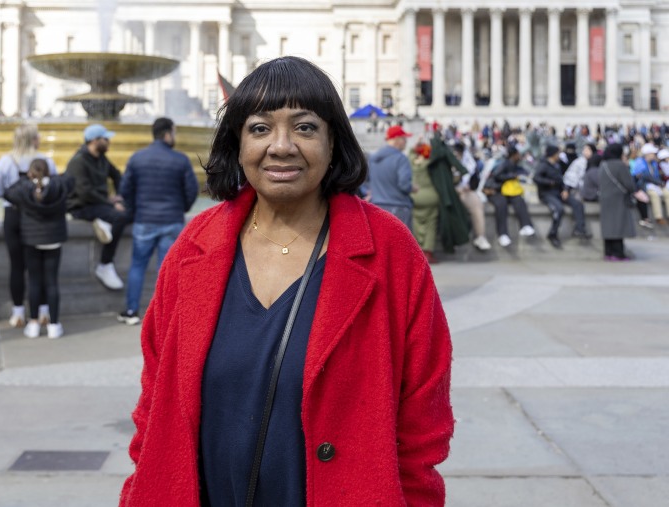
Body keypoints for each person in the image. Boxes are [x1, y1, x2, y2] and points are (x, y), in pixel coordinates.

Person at [120, 56, 453, 506]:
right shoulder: (193, 248)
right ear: (237, 143)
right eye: (259, 128)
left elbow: (422, 426)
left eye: (305, 127)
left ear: (334, 141)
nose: (281, 146)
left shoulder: (390, 252)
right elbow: (153, 407)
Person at [117, 117, 199, 325]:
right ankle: (165, 315)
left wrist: (136, 210)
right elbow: (192, 190)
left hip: (144, 220)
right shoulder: (180, 160)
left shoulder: (137, 158)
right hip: (171, 221)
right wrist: (182, 208)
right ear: (167, 134)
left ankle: (131, 311)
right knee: (167, 270)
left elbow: (125, 190)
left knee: (137, 266)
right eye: (174, 132)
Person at [0, 124, 57, 328]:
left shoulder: (6, 161)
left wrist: (15, 196)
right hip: (38, 216)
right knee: (40, 266)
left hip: (13, 215)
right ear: (33, 139)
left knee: (16, 265)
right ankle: (44, 310)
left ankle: (18, 311)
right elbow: (54, 187)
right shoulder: (45, 160)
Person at [4, 159, 74, 339]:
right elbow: (70, 182)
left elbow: (7, 193)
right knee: (52, 282)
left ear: (30, 173)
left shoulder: (24, 189)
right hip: (54, 239)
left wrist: (25, 180)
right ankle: (54, 325)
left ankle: (33, 323)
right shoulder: (58, 187)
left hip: (32, 240)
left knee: (34, 282)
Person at [65, 123, 130, 290]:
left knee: (129, 212)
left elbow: (116, 175)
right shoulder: (78, 161)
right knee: (121, 216)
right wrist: (111, 202)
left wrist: (120, 196)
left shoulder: (101, 158)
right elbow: (84, 192)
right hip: (81, 206)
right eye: (106, 139)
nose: (109, 142)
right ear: (94, 141)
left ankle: (104, 221)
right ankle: (105, 264)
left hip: (98, 203)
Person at [533, 144, 591, 249]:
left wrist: (565, 190)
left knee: (577, 204)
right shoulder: (543, 165)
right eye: (558, 153)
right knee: (559, 209)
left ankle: (579, 229)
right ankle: (553, 233)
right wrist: (549, 182)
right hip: (547, 193)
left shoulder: (557, 165)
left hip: (558, 192)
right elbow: (536, 178)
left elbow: (561, 180)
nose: (559, 155)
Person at [484, 146, 536, 247]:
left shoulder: (515, 164)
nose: (520, 156)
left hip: (507, 191)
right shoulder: (503, 164)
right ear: (514, 155)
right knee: (501, 204)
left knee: (519, 200)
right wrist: (512, 176)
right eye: (518, 154)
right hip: (495, 190)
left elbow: (524, 172)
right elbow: (496, 175)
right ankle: (503, 234)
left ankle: (526, 225)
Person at [428, 133, 471, 254]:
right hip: (447, 192)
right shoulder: (444, 151)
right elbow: (460, 167)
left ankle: (449, 245)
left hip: (441, 192)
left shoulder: (432, 156)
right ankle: (451, 244)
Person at [365, 125, 415, 230]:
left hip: (377, 207)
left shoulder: (373, 159)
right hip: (399, 208)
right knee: (402, 245)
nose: (406, 142)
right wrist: (413, 188)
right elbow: (404, 185)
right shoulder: (401, 159)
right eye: (404, 138)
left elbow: (367, 181)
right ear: (397, 139)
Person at [599, 143, 636, 260]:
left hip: (605, 199)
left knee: (608, 227)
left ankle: (608, 253)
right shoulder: (620, 165)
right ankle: (618, 253)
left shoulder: (603, 165)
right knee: (618, 227)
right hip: (618, 199)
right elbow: (630, 185)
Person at [452, 142, 491, 251]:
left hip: (466, 192)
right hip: (452, 194)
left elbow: (474, 181)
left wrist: (468, 187)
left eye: (458, 155)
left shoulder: (470, 164)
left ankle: (480, 236)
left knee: (477, 204)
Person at [409, 142, 440, 263]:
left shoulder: (412, 162)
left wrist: (416, 145)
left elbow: (411, 153)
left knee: (417, 223)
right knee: (430, 225)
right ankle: (428, 252)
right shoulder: (429, 164)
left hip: (415, 196)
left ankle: (419, 250)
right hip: (430, 196)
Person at [631, 143, 669, 225]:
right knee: (654, 195)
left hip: (656, 184)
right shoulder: (639, 162)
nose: (654, 155)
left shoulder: (654, 163)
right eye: (652, 153)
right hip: (645, 186)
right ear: (648, 154)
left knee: (667, 193)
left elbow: (657, 176)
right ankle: (659, 217)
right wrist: (659, 183)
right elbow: (643, 176)